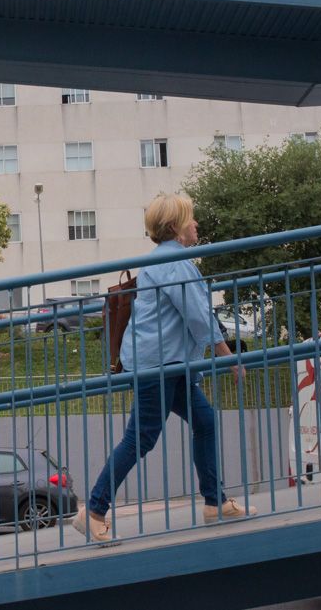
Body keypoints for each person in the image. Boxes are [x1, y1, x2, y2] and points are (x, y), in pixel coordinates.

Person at [73, 193, 255, 543]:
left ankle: (215, 503)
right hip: (159, 365)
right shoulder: (175, 264)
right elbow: (198, 316)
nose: (196, 224)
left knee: (204, 420)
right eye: (190, 219)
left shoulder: (161, 260)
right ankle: (93, 510)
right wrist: (227, 355)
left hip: (167, 363)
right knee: (140, 438)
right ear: (175, 227)